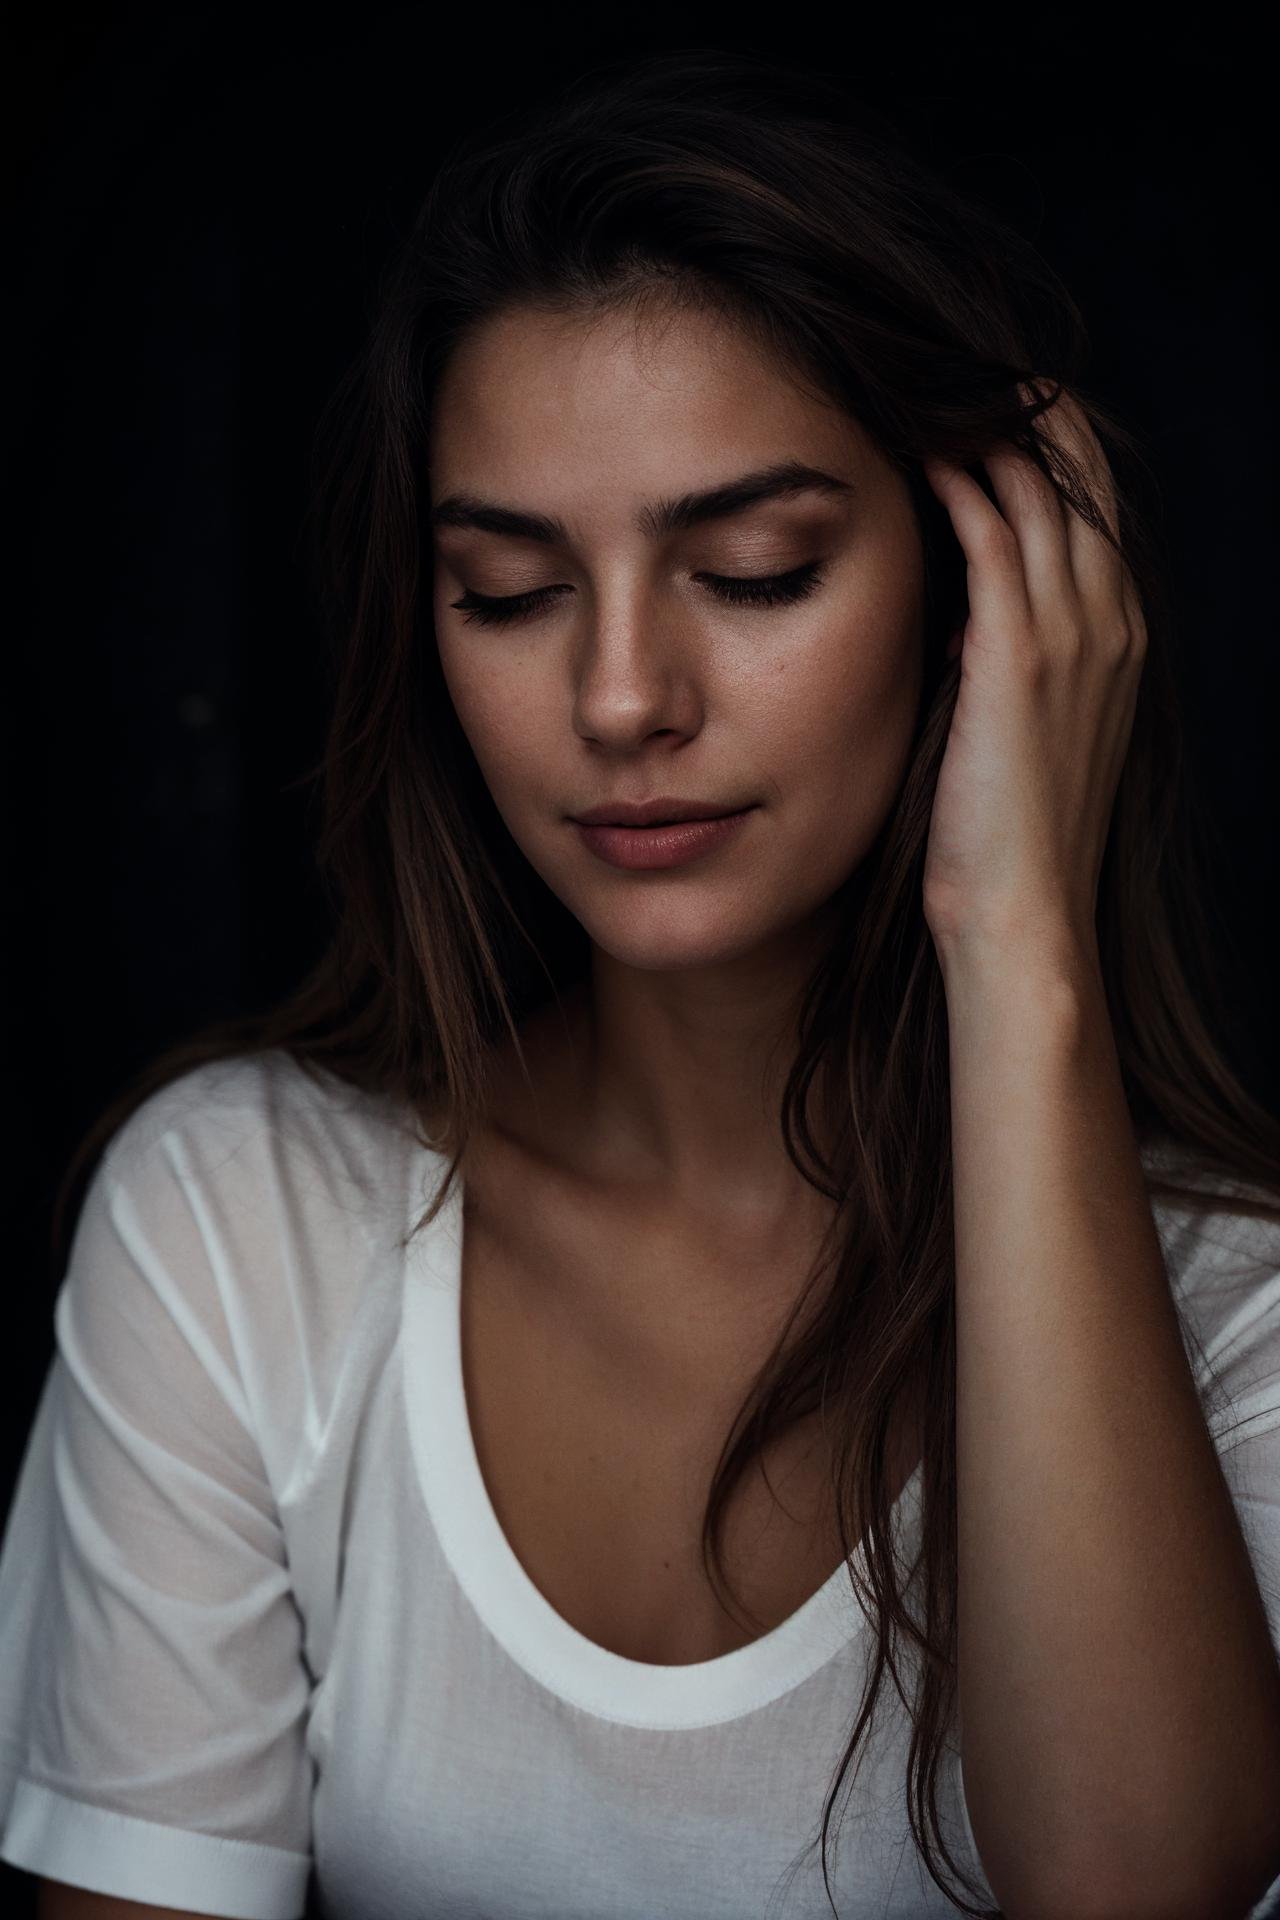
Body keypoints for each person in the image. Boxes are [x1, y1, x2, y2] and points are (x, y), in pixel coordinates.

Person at [3, 46, 1280, 1920]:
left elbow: (1128, 1885)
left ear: (987, 592)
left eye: (755, 571)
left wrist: (1019, 944)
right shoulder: (245, 1224)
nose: (619, 700)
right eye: (510, 591)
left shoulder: (1234, 1314)